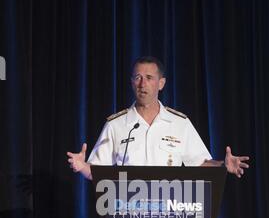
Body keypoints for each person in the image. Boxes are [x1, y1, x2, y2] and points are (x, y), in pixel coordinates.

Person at [67, 56, 249, 178]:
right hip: (128, 217)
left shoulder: (179, 123)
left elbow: (198, 164)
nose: (142, 84)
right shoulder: (116, 124)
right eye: (137, 77)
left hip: (169, 217)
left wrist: (222, 166)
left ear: (161, 83)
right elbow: (99, 171)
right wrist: (82, 166)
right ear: (131, 82)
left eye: (149, 77)